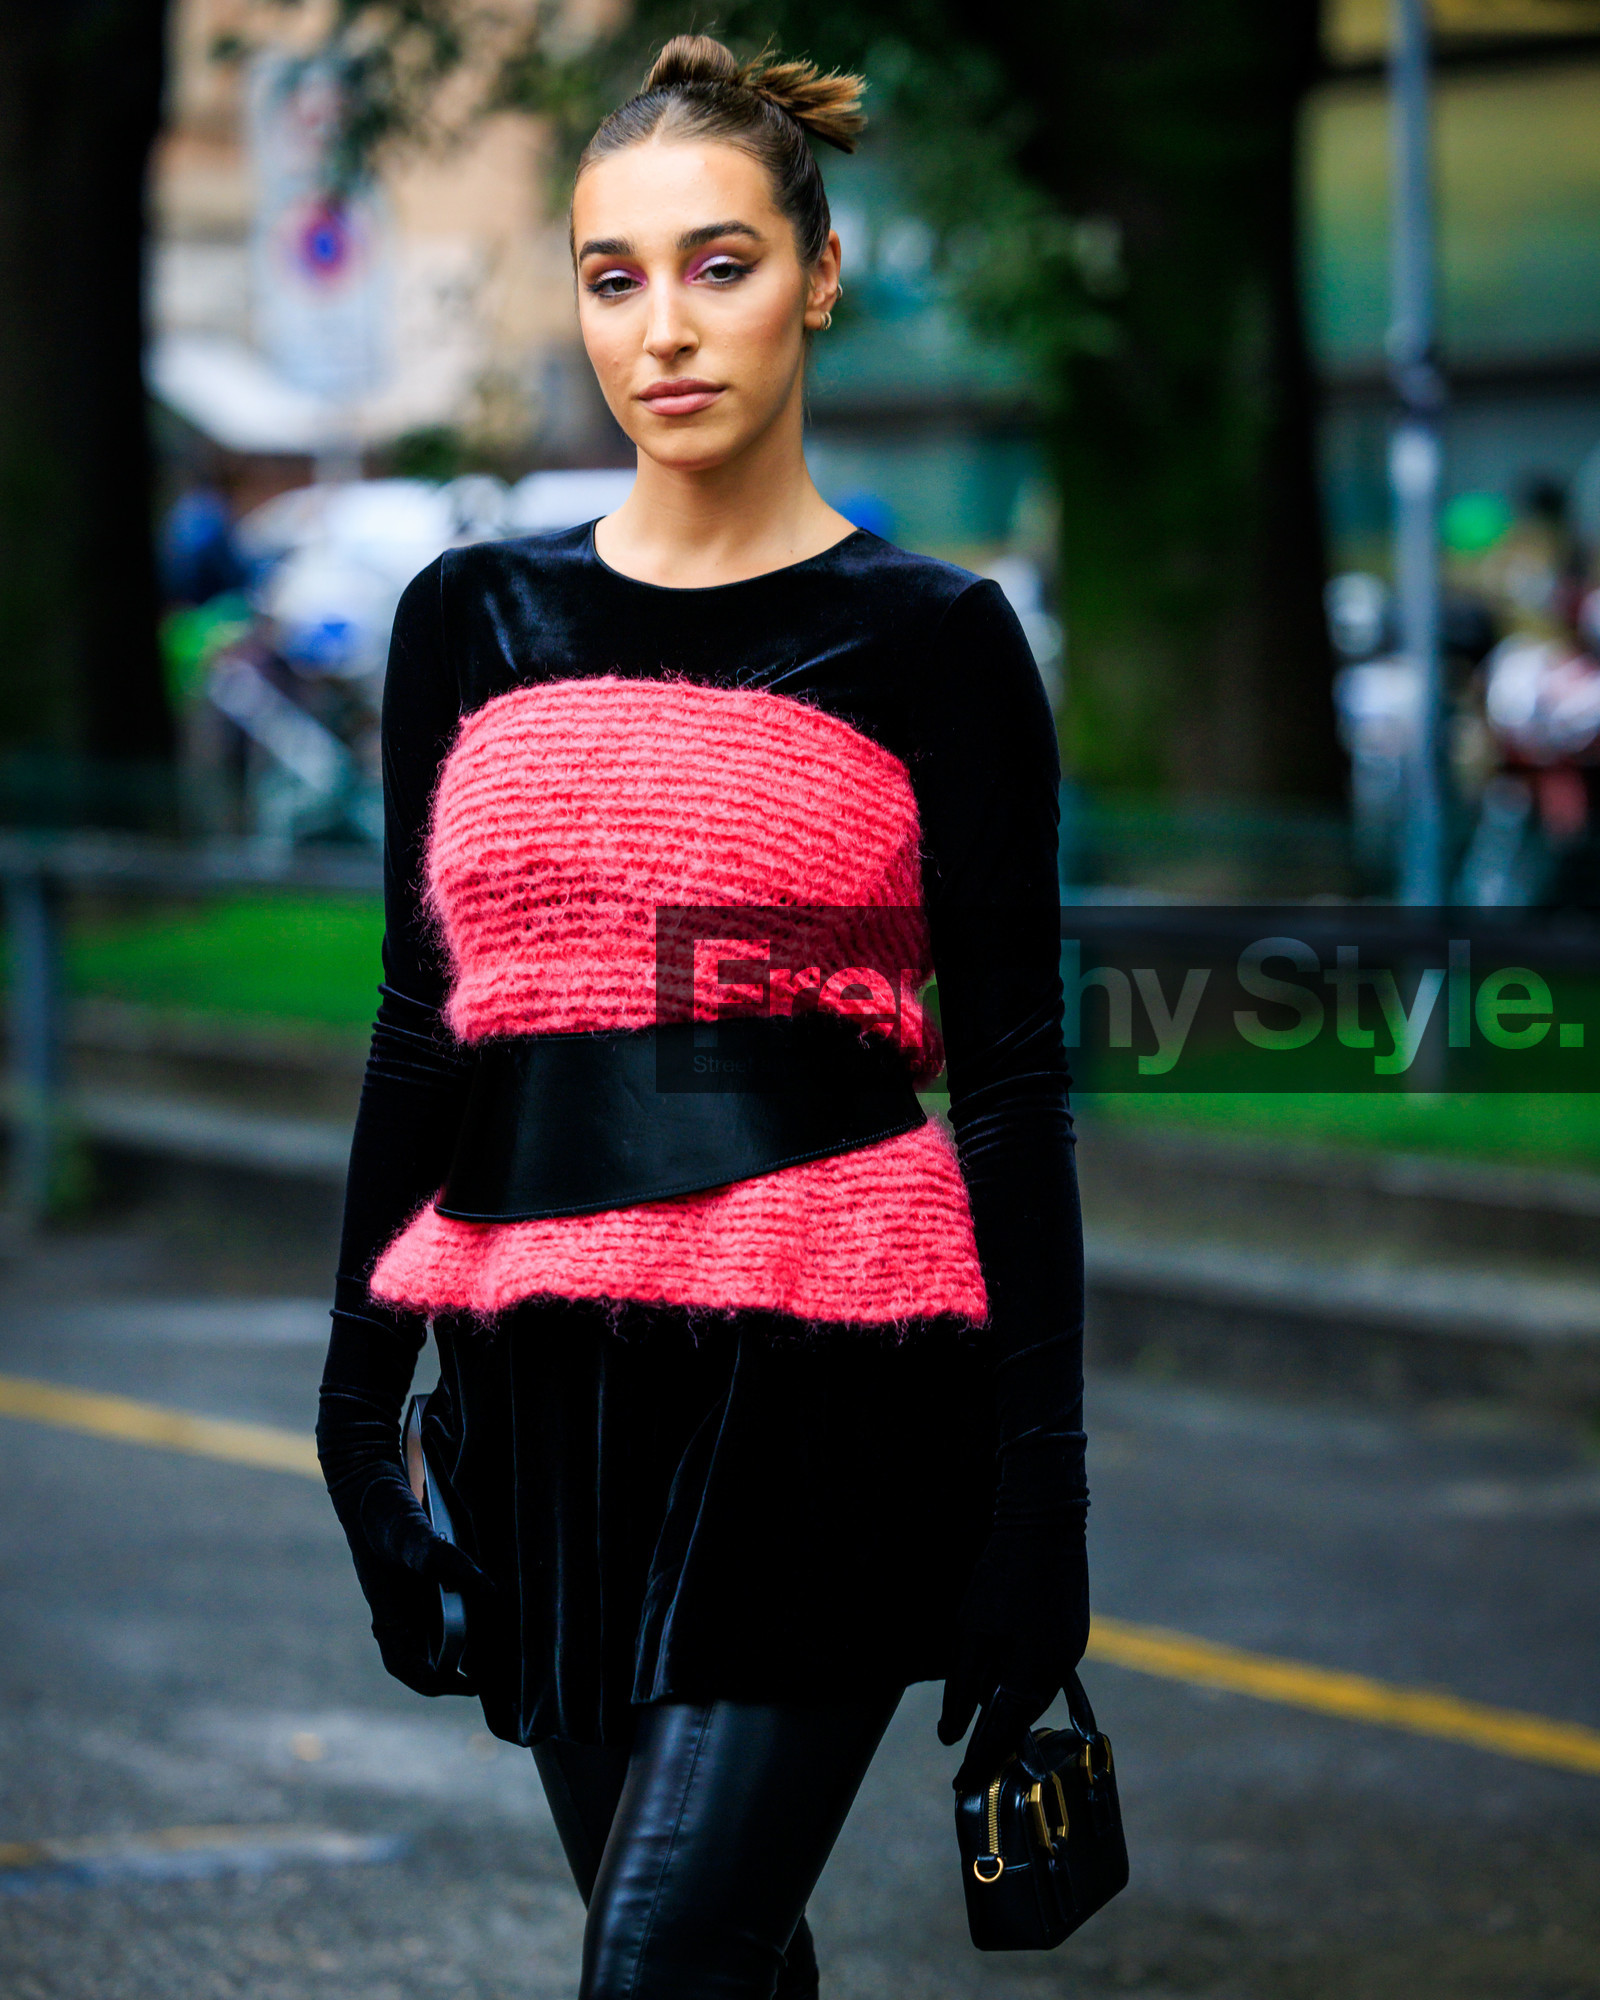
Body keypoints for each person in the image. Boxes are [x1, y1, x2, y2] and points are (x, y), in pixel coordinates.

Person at [316, 35, 1088, 2000]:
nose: (662, 328)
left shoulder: (933, 638)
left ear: (818, 275)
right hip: (541, 1397)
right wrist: (356, 1401)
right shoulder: (469, 615)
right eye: (612, 275)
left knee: (653, 1972)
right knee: (719, 1965)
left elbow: (1005, 1083)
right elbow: (426, 1024)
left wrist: (1036, 1500)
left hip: (820, 1396)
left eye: (718, 263)